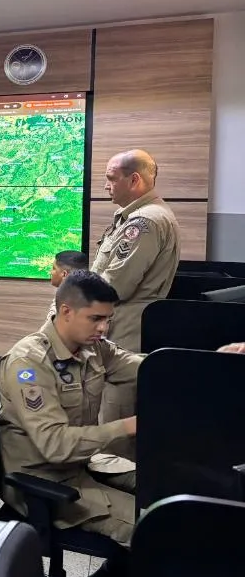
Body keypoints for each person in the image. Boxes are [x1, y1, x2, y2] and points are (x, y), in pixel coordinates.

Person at [0, 271, 141, 554]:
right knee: (158, 522)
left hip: (82, 464)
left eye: (108, 319)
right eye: (96, 319)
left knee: (168, 487)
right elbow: (55, 445)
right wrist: (126, 427)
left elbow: (145, 367)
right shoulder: (29, 363)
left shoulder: (92, 349)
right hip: (43, 482)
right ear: (66, 311)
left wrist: (216, 356)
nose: (104, 328)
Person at [0, 249, 91, 453]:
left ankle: (2, 445)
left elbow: (50, 346)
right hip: (59, 369)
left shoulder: (67, 306)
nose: (49, 272)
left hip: (57, 372)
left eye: (53, 268)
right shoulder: (85, 299)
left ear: (64, 275)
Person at [94, 150, 180, 424]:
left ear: (134, 180)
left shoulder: (145, 222)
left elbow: (115, 285)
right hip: (121, 330)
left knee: (115, 422)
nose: (105, 185)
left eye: (111, 178)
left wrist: (74, 300)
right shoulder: (134, 216)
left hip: (126, 334)